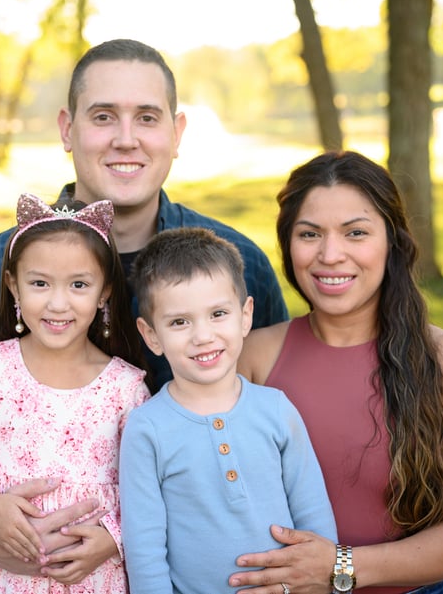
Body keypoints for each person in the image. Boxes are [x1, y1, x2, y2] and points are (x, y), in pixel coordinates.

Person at [0, 38, 289, 576]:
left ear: (176, 133)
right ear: (67, 129)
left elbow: (281, 425)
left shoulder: (238, 267)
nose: (125, 139)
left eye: (147, 118)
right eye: (103, 116)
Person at [226, 150, 443, 594]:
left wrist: (338, 567)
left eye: (355, 232)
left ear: (392, 242)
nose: (330, 254)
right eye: (309, 234)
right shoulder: (251, 358)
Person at [0, 192, 151, 592]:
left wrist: (114, 540)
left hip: (98, 580)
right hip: (12, 580)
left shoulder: (126, 389)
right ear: (14, 286)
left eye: (78, 284)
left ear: (104, 292)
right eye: (39, 283)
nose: (57, 303)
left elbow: (150, 488)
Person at [119, 227, 337, 593]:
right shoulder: (147, 428)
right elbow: (145, 551)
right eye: (179, 322)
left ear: (245, 315)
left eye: (218, 313)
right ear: (152, 335)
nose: (203, 336)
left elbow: (314, 515)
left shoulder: (276, 410)